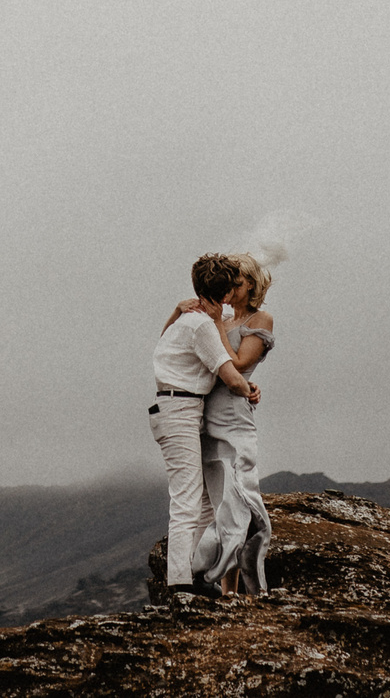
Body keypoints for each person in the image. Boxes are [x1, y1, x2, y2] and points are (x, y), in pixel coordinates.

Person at [148, 253, 260, 595]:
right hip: (180, 410)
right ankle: (180, 584)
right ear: (225, 293)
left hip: (177, 408)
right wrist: (250, 390)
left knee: (205, 503)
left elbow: (164, 341)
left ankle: (193, 574)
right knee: (187, 499)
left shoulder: (188, 319)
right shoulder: (202, 326)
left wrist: (175, 310)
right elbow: (231, 376)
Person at [191, 253, 275, 594]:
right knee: (219, 502)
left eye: (237, 284)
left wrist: (215, 325)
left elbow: (238, 364)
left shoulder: (261, 319)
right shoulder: (220, 319)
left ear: (251, 284)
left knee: (241, 496)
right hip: (206, 415)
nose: (230, 290)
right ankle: (228, 592)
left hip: (234, 416)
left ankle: (253, 586)